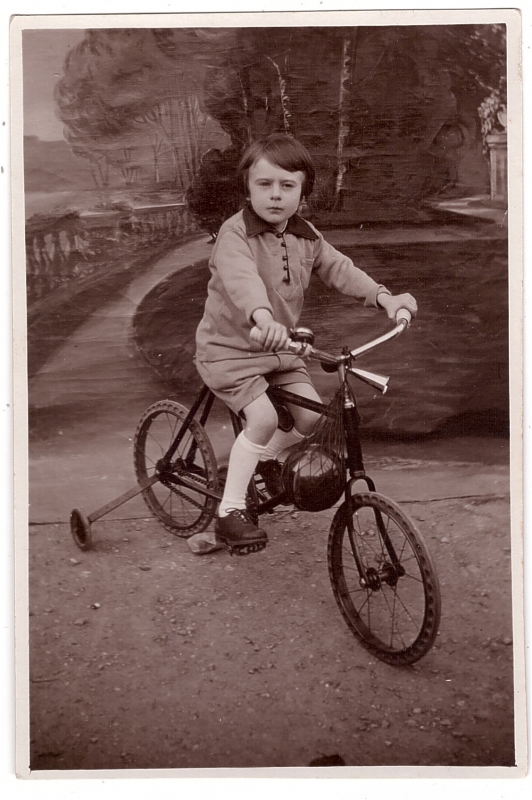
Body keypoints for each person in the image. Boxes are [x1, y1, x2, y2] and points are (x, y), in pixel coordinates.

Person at [195, 134, 417, 551]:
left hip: (281, 351)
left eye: (287, 186)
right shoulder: (234, 235)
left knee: (314, 421)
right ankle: (228, 511)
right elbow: (242, 282)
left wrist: (385, 298)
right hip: (230, 351)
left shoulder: (306, 234)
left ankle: (258, 459)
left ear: (303, 192)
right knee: (260, 419)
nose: (275, 196)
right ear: (248, 187)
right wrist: (263, 318)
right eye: (265, 185)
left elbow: (339, 269)